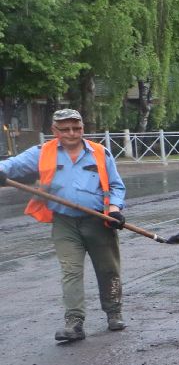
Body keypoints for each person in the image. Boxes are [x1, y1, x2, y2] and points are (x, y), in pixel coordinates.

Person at [0, 108, 127, 342]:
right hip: (64, 223)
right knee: (71, 271)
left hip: (100, 221)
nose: (72, 133)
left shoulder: (100, 153)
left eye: (76, 128)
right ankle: (74, 322)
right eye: (65, 129)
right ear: (54, 131)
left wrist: (115, 209)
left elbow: (117, 185)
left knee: (108, 269)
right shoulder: (42, 152)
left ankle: (113, 312)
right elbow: (13, 166)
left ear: (82, 128)